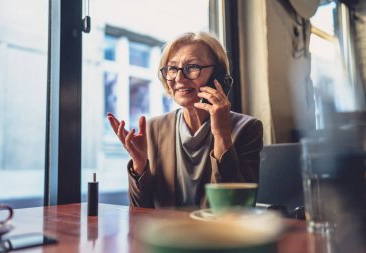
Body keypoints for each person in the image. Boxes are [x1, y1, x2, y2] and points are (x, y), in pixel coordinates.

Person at [107, 31, 263, 209]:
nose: (179, 78)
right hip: (167, 234)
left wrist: (222, 136)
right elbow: (139, 209)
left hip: (216, 234)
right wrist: (140, 165)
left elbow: (234, 207)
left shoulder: (248, 128)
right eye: (172, 69)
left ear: (218, 76)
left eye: (193, 67)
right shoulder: (153, 128)